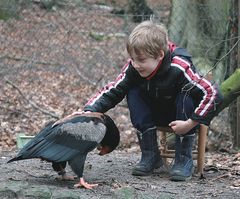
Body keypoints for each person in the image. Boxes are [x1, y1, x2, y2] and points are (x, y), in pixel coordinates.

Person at [57, 20, 223, 181]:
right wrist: (89, 110)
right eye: (133, 59)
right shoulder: (134, 68)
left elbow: (213, 93)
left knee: (186, 94)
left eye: (141, 60)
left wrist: (190, 123)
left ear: (160, 55)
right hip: (153, 114)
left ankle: (183, 159)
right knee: (133, 91)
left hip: (181, 117)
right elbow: (113, 89)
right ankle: (150, 155)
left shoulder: (179, 66)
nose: (135, 65)